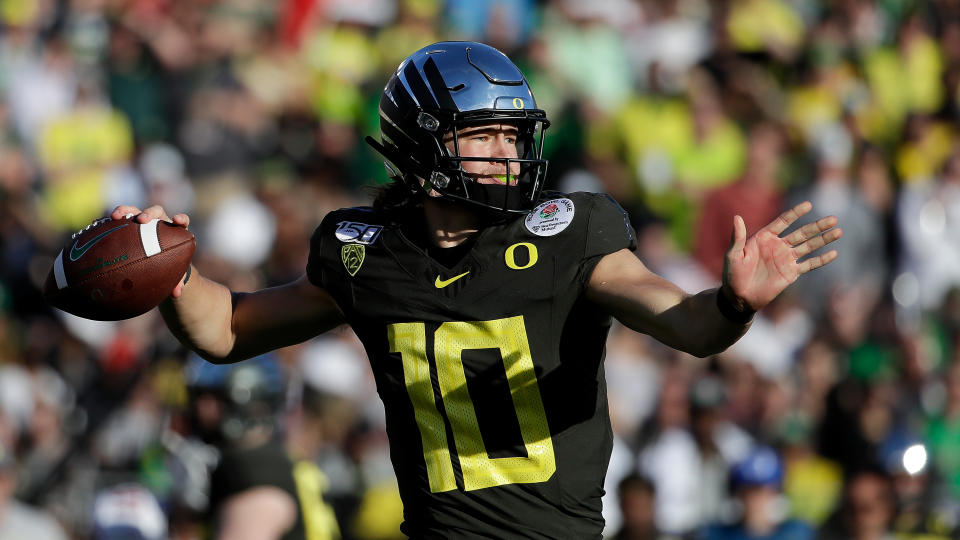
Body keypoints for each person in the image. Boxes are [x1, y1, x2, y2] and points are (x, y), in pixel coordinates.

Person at [110, 42, 841, 539]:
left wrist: (733, 302)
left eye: (513, 135)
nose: (507, 153)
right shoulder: (365, 253)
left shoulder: (571, 234)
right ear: (422, 143)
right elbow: (228, 330)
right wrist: (173, 274)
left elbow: (687, 325)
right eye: (484, 136)